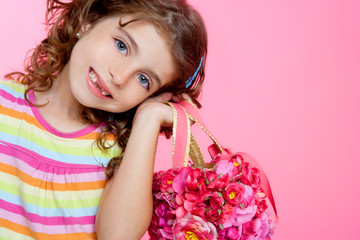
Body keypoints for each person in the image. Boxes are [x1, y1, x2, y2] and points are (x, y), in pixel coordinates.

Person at [0, 0, 207, 239]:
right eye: (121, 45)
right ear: (87, 22)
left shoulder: (119, 154)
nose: (119, 77)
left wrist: (148, 119)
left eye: (143, 79)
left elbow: (117, 236)